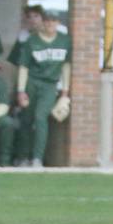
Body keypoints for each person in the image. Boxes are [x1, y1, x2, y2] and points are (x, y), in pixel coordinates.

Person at [14, 9, 72, 167]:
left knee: (41, 117)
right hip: (32, 82)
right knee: (26, 119)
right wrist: (21, 90)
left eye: (53, 21)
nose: (50, 24)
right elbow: (23, 67)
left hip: (50, 84)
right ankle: (22, 156)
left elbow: (66, 66)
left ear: (58, 23)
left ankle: (37, 158)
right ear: (43, 23)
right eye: (47, 21)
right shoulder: (31, 41)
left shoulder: (64, 40)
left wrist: (65, 89)